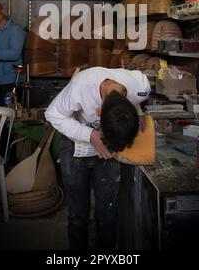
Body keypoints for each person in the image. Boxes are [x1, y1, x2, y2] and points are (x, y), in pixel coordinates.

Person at [44, 66, 150, 250]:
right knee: (78, 213)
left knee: (108, 211)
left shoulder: (141, 87)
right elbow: (52, 114)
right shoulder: (80, 87)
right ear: (99, 111)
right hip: (76, 142)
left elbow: (137, 99)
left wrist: (138, 111)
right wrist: (90, 135)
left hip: (109, 135)